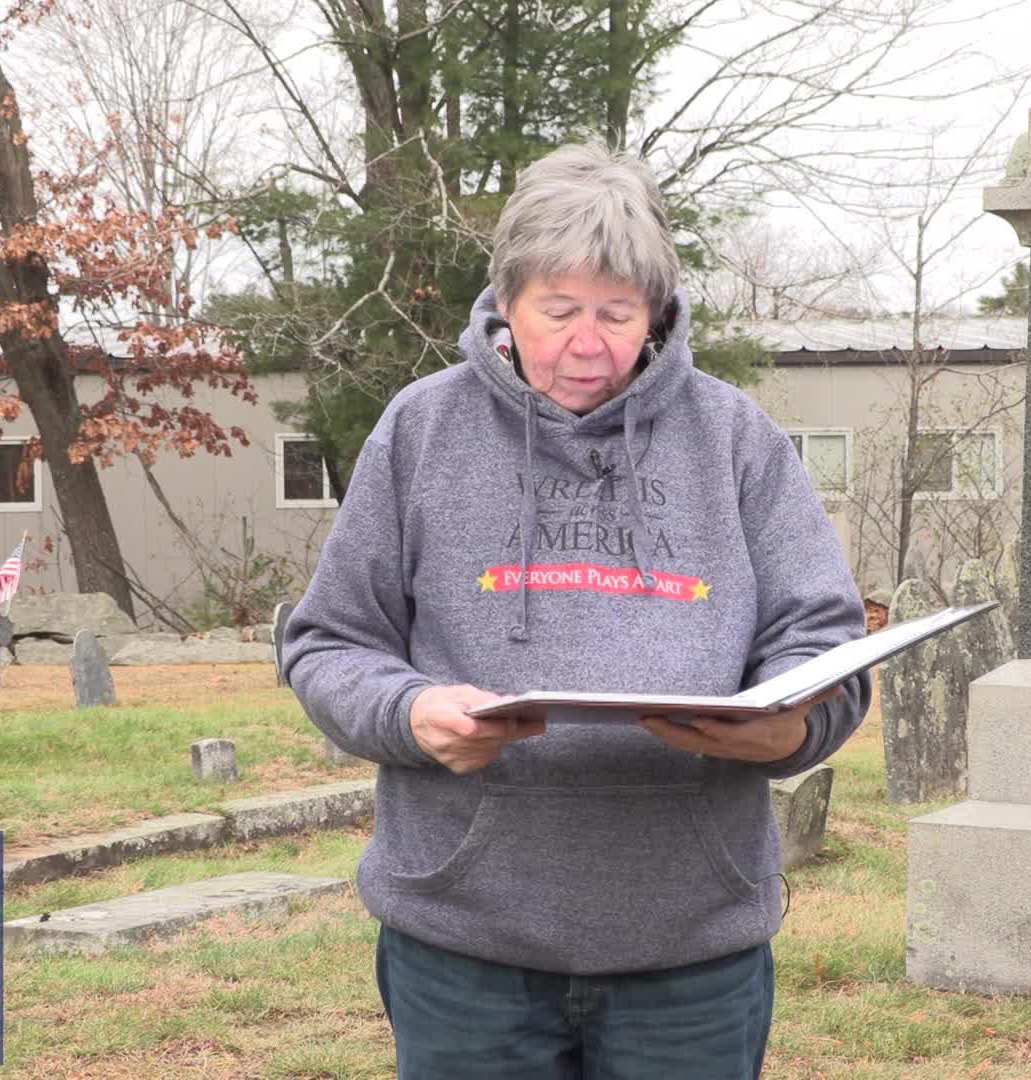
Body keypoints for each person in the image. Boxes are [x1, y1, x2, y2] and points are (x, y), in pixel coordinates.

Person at [282, 140, 870, 1079]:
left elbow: (826, 647)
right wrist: (409, 713)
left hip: (690, 950)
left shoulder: (737, 441)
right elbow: (328, 642)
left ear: (659, 314)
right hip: (465, 942)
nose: (587, 344)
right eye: (558, 312)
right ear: (506, 302)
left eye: (616, 314)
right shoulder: (422, 430)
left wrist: (785, 730)